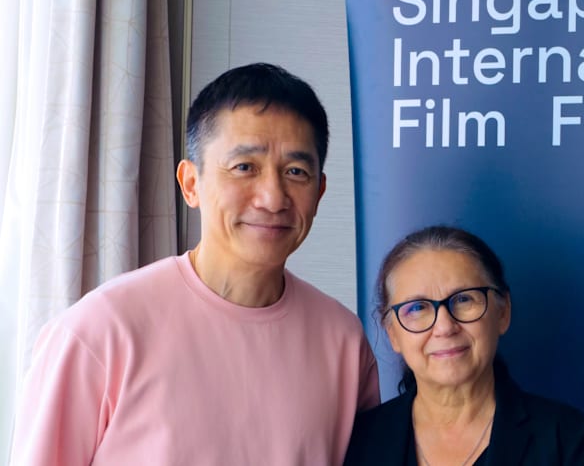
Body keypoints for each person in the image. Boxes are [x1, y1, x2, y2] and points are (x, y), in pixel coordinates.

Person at [10, 62, 380, 465]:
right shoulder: (99, 331)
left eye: (296, 171)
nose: (273, 198)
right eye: (244, 168)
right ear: (191, 184)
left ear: (320, 191)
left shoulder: (344, 342)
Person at [345, 225, 584, 465]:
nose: (445, 327)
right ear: (393, 333)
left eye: (463, 300)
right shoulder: (358, 443)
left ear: (503, 313)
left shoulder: (567, 439)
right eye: (417, 308)